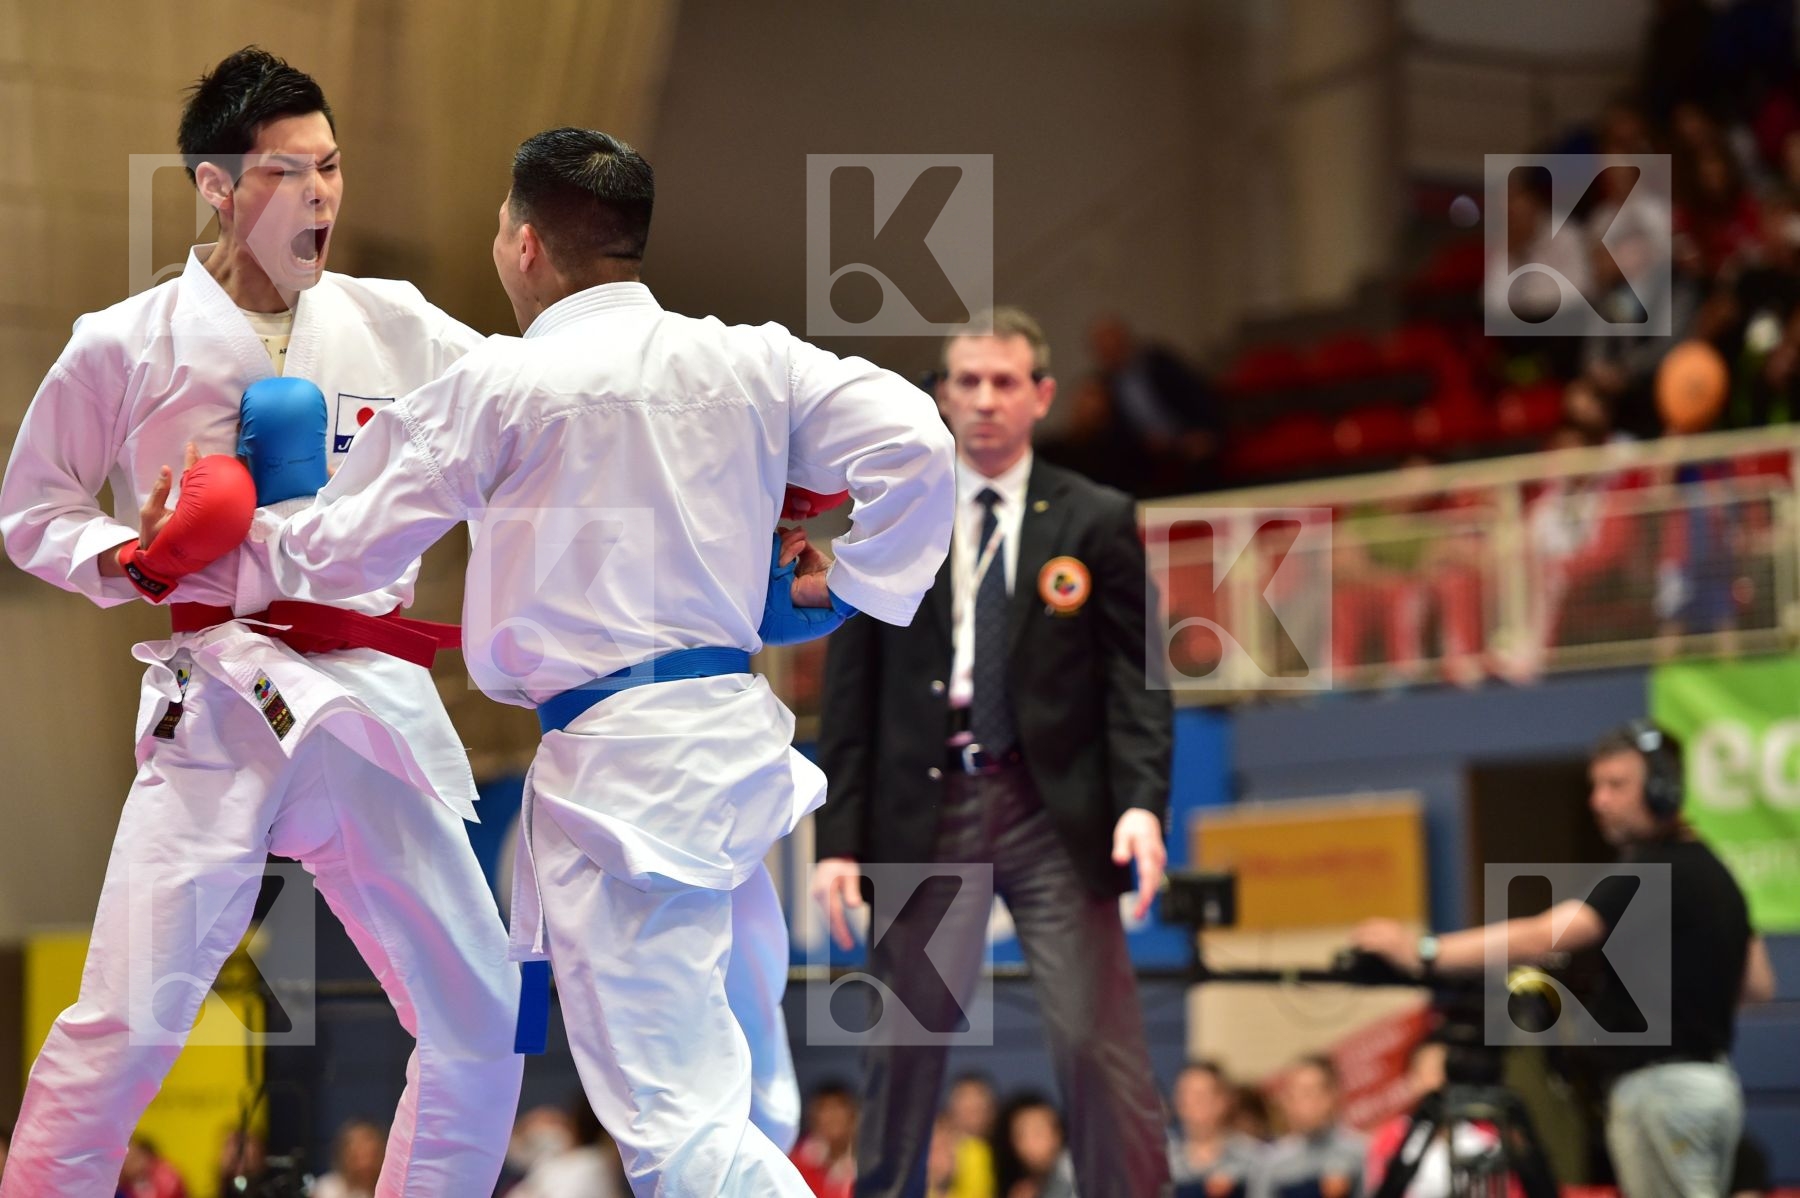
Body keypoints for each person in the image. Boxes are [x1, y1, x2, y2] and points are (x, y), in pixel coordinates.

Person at [261, 127, 955, 1195]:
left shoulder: (502, 382)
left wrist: (242, 528)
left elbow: (346, 546)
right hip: (733, 755)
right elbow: (919, 439)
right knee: (750, 1093)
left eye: (500, 230)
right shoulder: (749, 358)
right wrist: (861, 580)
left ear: (527, 246)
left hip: (623, 789)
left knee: (679, 1135)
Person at [0, 47, 523, 1195]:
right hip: (223, 695)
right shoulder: (123, 341)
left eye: (332, 167)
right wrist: (129, 557)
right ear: (218, 186)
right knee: (126, 1022)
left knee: (481, 1007)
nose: (324, 194)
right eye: (290, 173)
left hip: (367, 695)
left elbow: (540, 409)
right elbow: (31, 510)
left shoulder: (401, 325)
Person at [814, 305, 1172, 1198]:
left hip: (1052, 808)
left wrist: (1140, 806)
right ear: (940, 395)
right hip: (928, 803)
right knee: (904, 1050)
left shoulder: (1096, 518)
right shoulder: (892, 516)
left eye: (1004, 382)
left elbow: (1136, 681)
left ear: (1041, 396)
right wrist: (837, 841)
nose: (983, 400)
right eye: (966, 381)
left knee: (1096, 1041)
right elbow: (850, 693)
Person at [1353, 721, 1779, 1198]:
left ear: (1663, 790)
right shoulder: (1716, 873)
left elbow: (1543, 936)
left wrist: (1425, 951)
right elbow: (1758, 986)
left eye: (1616, 785)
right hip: (1712, 1086)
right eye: (1595, 786)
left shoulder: (1653, 871)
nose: (1598, 800)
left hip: (1662, 1091)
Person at [1250, 1057, 1366, 1198]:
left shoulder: (1361, 1153)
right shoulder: (1273, 1162)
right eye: (1294, 1094)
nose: (1303, 1103)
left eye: (1310, 1092)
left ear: (1333, 1095)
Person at [1168, 1061, 1265, 1198]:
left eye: (1200, 1095)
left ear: (1222, 1101)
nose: (1191, 1102)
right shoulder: (1162, 1161)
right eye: (1185, 1094)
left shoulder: (1253, 1158)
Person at [992, 1096, 1076, 1198]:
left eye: (1037, 1132)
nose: (1029, 1143)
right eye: (1020, 1135)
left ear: (1058, 1134)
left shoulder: (1071, 1171)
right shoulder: (1025, 1183)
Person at [791, 1083, 858, 1198]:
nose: (832, 1117)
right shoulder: (793, 1163)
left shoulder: (869, 1164)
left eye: (838, 1108)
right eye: (825, 1109)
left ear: (853, 1116)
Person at [311, 1121, 384, 1198]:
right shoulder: (326, 1190)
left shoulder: (392, 1188)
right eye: (357, 1158)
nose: (365, 1164)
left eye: (372, 1156)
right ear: (344, 1157)